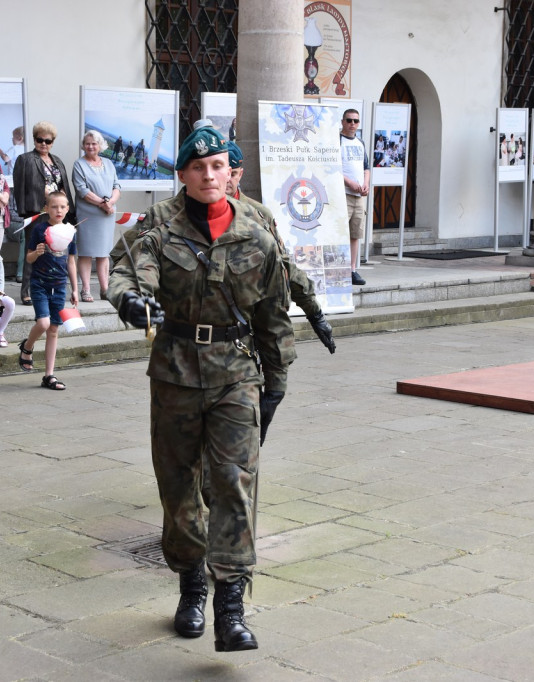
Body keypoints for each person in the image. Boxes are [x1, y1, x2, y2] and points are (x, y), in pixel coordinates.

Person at [106, 126, 296, 652]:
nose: (209, 175)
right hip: (175, 375)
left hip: (237, 373)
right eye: (198, 167)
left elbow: (274, 314)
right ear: (184, 174)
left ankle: (230, 609)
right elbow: (130, 271)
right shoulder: (159, 227)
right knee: (179, 489)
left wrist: (276, 380)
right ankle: (191, 586)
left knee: (234, 483)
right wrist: (131, 301)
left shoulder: (256, 236)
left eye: (217, 166)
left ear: (229, 172)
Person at [224, 139, 335, 354]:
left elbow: (283, 264)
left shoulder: (258, 214)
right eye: (223, 172)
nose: (227, 180)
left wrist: (315, 313)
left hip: (248, 320)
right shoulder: (183, 216)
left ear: (240, 174)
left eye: (233, 173)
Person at [17, 191, 78, 390]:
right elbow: (28, 258)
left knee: (53, 329)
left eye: (62, 207)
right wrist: (37, 252)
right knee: (43, 323)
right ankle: (27, 346)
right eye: (54, 206)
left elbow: (71, 261)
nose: (58, 210)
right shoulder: (39, 229)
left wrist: (75, 289)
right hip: (40, 284)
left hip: (59, 286)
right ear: (46, 209)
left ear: (67, 209)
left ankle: (49, 375)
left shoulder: (70, 231)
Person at [11, 122, 74, 305]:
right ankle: (27, 290)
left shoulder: (57, 160)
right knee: (33, 251)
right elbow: (20, 188)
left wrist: (64, 203)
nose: (44, 144)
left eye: (48, 141)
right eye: (40, 140)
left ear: (53, 142)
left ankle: (49, 288)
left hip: (57, 213)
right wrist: (42, 194)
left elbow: (64, 185)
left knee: (54, 252)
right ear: (34, 139)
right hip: (36, 212)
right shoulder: (25, 159)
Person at [72, 130, 120, 302]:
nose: (90, 146)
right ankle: (85, 289)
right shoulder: (79, 164)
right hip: (88, 214)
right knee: (85, 253)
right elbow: (82, 190)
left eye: (94, 143)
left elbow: (116, 186)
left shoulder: (108, 163)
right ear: (83, 145)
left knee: (103, 253)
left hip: (107, 215)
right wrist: (103, 203)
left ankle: (105, 289)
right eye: (87, 143)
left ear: (100, 145)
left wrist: (110, 202)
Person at [339, 109, 369, 286]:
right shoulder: (338, 140)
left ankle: (352, 269)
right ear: (342, 121)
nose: (352, 124)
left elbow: (366, 167)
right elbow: (333, 167)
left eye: (355, 121)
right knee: (341, 231)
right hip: (343, 193)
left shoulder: (360, 142)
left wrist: (365, 184)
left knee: (355, 234)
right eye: (349, 120)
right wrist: (349, 182)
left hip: (359, 196)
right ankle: (339, 268)